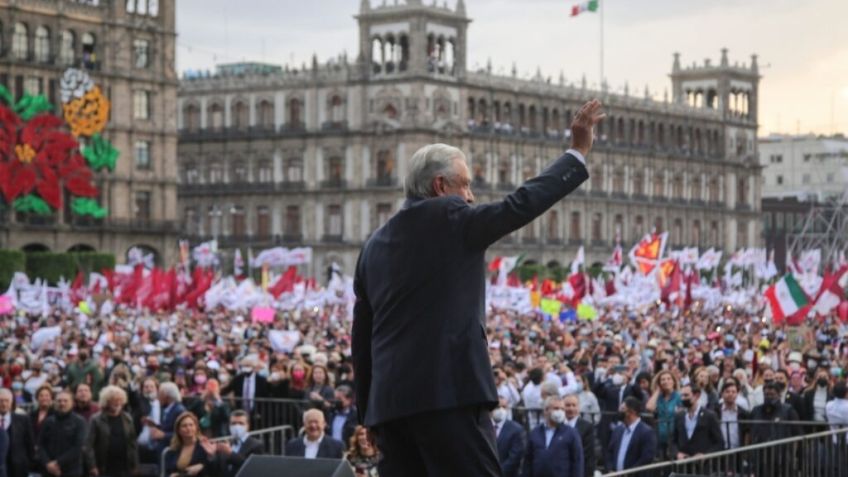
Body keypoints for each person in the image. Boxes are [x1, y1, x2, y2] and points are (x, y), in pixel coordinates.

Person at [352, 100, 603, 476]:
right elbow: (520, 205)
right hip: (448, 399)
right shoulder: (452, 218)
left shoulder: (373, 246)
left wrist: (368, 412)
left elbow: (362, 339)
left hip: (390, 410)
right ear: (440, 186)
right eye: (465, 185)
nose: (470, 196)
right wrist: (577, 153)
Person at [522, 396, 583, 477]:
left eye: (562, 409)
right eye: (556, 408)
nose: (560, 412)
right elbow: (528, 461)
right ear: (546, 410)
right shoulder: (535, 432)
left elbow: (577, 462)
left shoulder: (571, 433)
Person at [87, 385, 139, 477]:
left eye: (120, 400)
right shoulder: (96, 420)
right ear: (106, 402)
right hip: (104, 466)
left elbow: (132, 443)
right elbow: (88, 445)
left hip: (124, 466)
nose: (117, 403)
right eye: (114, 400)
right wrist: (92, 466)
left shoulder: (128, 418)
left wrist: (135, 465)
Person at [37, 390, 87, 477]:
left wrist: (57, 463)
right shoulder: (48, 421)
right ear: (54, 402)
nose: (62, 403)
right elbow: (41, 445)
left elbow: (78, 447)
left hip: (71, 471)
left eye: (65, 401)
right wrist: (47, 463)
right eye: (59, 401)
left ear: (72, 403)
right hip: (48, 470)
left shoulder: (80, 422)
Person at [605, 397, 657, 474]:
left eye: (622, 409)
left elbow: (646, 458)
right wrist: (610, 469)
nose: (619, 411)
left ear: (632, 412)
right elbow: (609, 452)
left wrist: (629, 473)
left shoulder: (646, 432)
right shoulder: (618, 430)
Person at [670, 385, 724, 459]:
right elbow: (673, 440)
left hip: (703, 464)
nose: (683, 398)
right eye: (681, 396)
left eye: (686, 395)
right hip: (683, 463)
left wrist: (706, 455)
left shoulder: (709, 416)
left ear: (696, 396)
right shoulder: (679, 416)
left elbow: (719, 442)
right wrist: (677, 453)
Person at [208, 410, 263, 477]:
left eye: (241, 423)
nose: (237, 427)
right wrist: (211, 456)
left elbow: (252, 468)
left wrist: (231, 453)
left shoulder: (256, 445)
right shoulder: (226, 445)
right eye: (233, 423)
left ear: (248, 425)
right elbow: (216, 471)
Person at [163, 412, 212, 477]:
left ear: (196, 427)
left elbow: (212, 468)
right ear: (178, 430)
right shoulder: (173, 449)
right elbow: (168, 471)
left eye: (191, 425)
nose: (188, 428)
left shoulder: (204, 446)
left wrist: (202, 467)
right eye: (184, 426)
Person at [645, 370, 680, 460]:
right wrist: (657, 391)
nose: (666, 381)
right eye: (663, 379)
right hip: (660, 436)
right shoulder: (659, 398)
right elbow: (649, 407)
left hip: (675, 437)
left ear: (673, 381)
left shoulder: (678, 396)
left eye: (668, 379)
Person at [0, 388, 34, 477]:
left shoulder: (23, 420)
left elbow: (30, 444)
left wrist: (29, 465)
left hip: (18, 469)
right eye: (1, 401)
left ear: (11, 403)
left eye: (6, 401)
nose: (3, 404)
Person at [563, 394, 596, 477]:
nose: (571, 408)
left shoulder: (587, 427)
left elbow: (587, 455)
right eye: (567, 405)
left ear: (578, 407)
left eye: (574, 405)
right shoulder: (558, 425)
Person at [151, 382, 187, 456]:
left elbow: (184, 433)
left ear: (166, 396)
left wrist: (164, 435)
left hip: (172, 453)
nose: (158, 397)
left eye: (160, 394)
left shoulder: (179, 411)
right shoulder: (167, 409)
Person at [492, 399, 525, 477]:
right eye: (497, 407)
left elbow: (515, 457)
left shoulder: (516, 429)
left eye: (504, 407)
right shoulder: (484, 428)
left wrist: (498, 473)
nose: (500, 410)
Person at [716, 380, 750, 450]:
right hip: (719, 451)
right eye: (727, 391)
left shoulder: (743, 413)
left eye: (733, 392)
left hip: (737, 451)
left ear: (737, 394)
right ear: (722, 394)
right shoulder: (715, 411)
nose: (730, 394)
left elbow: (747, 433)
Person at [328, 385, 357, 449]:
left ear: (349, 400)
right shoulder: (331, 413)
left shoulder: (355, 415)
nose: (336, 401)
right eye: (335, 398)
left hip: (347, 448)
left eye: (339, 399)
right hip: (332, 448)